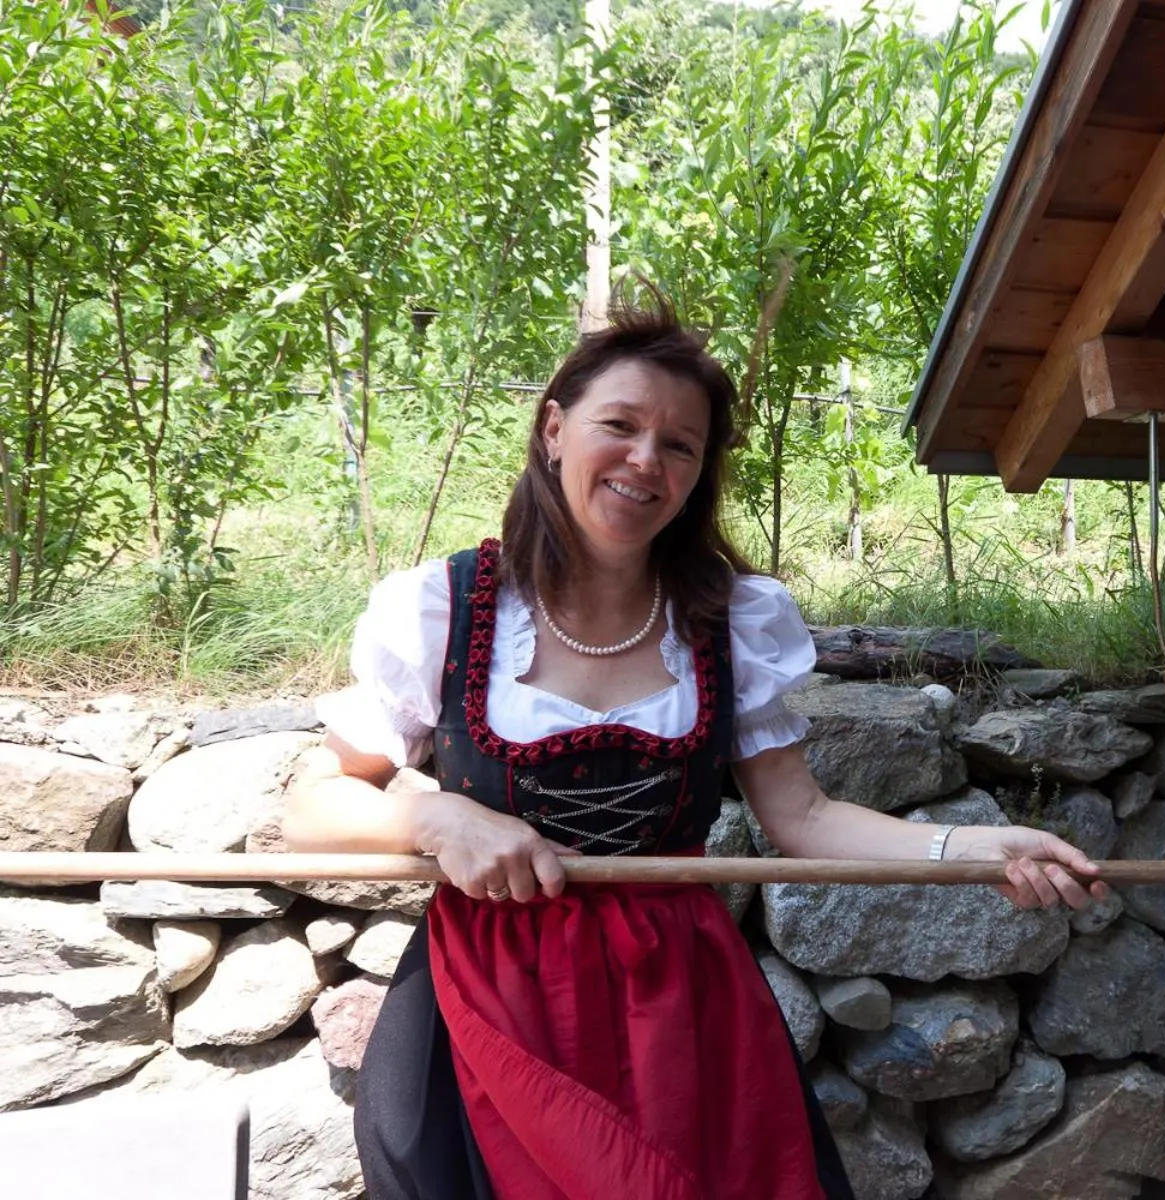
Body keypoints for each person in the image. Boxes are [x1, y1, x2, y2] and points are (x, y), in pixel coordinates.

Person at [283, 299, 1107, 1200]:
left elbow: (804, 817)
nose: (647, 460)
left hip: (679, 1009)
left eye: (680, 445)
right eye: (621, 425)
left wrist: (971, 849)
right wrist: (435, 816)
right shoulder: (443, 609)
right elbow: (311, 810)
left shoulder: (727, 621)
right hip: (489, 996)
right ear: (554, 429)